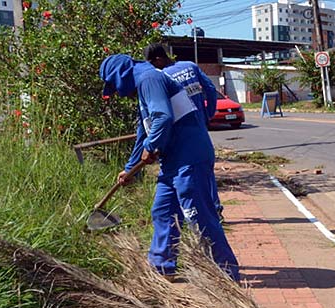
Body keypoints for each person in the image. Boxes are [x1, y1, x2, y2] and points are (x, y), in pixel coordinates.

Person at [99, 53, 240, 281]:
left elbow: (162, 118)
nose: (119, 94)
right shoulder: (145, 85)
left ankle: (227, 275)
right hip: (172, 163)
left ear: (120, 77)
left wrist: (152, 145)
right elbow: (143, 131)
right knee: (163, 211)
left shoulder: (148, 79)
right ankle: (162, 268)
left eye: (115, 88)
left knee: (200, 216)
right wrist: (131, 168)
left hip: (189, 158)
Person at [144, 43, 225, 221]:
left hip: (181, 132)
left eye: (152, 63)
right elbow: (210, 90)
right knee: (206, 168)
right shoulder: (190, 66)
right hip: (199, 125)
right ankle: (215, 209)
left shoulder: (161, 76)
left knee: (185, 172)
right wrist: (207, 114)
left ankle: (196, 215)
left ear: (158, 59)